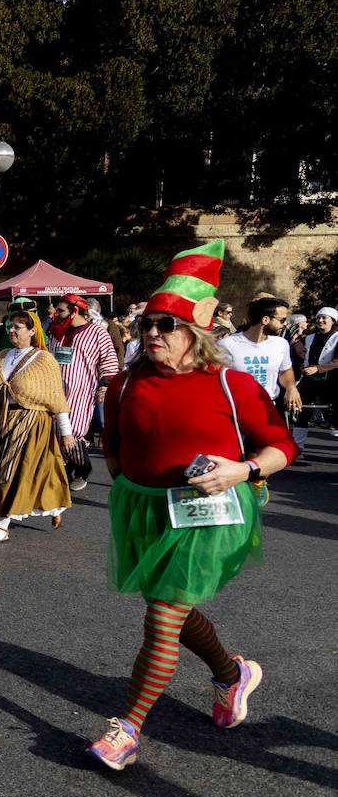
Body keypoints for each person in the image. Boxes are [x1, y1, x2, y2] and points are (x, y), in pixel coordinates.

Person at [88, 240, 296, 770]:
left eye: (167, 325)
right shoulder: (126, 382)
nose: (153, 334)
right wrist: (123, 476)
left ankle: (127, 729)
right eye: (147, 325)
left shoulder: (232, 383)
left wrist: (242, 470)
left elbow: (282, 446)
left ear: (195, 331)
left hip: (208, 512)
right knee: (174, 608)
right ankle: (232, 674)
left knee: (162, 617)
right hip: (143, 508)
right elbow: (113, 441)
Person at [0, 311, 75, 543]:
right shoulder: (3, 356)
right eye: (10, 326)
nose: (12, 330)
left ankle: (2, 525)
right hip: (6, 423)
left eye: (18, 327)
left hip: (33, 423)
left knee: (15, 471)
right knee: (31, 471)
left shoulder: (44, 359)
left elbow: (56, 398)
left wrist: (66, 433)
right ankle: (55, 506)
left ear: (32, 331)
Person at [47, 293, 120, 490]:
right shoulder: (55, 332)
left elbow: (110, 361)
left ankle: (82, 468)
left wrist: (105, 385)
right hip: (54, 391)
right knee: (55, 432)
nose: (57, 314)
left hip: (81, 392)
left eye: (61, 310)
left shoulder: (97, 333)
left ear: (75, 311)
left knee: (74, 431)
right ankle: (65, 469)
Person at [218, 297, 302, 417]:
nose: (285, 325)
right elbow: (213, 378)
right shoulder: (227, 344)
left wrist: (291, 387)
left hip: (270, 408)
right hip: (236, 410)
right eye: (282, 320)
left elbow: (285, 371)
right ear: (265, 319)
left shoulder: (281, 344)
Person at [0, 297, 44, 396]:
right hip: (4, 381)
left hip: (31, 383)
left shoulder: (38, 331)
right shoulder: (0, 331)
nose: (12, 330)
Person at [295, 306, 337, 431]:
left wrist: (318, 368)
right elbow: (297, 343)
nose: (320, 320)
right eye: (318, 317)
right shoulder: (310, 337)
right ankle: (297, 446)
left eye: (324, 318)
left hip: (332, 380)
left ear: (333, 320)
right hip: (310, 380)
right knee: (302, 412)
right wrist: (297, 346)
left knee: (333, 413)